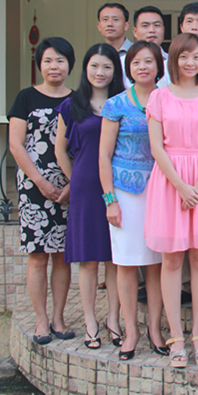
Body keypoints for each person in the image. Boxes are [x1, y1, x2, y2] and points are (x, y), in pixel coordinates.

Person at [144, 32, 198, 367]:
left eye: (196, 56)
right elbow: (157, 147)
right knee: (171, 261)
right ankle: (176, 338)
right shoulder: (159, 97)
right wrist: (181, 186)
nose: (190, 62)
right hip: (170, 181)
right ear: (174, 60)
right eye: (184, 56)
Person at [98, 41, 168, 361]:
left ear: (158, 67)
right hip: (125, 193)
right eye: (137, 62)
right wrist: (110, 199)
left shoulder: (167, 100)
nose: (143, 67)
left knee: (155, 265)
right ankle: (130, 331)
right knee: (126, 264)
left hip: (159, 191)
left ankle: (155, 329)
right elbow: (104, 154)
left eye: (149, 62)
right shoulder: (115, 104)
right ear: (129, 68)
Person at [55, 44, 125, 350]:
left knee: (115, 258)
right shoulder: (72, 105)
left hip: (118, 187)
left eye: (107, 66)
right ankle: (90, 321)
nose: (100, 72)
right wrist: (75, 181)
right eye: (94, 66)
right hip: (84, 187)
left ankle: (114, 319)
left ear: (115, 71)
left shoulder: (123, 102)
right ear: (85, 69)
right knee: (88, 259)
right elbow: (60, 150)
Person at [8, 37, 75, 345]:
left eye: (60, 60)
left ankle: (59, 317)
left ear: (69, 65)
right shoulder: (26, 97)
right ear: (40, 65)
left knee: (62, 257)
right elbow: (16, 145)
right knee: (38, 257)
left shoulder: (77, 99)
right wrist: (40, 181)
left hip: (69, 186)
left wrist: (73, 184)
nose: (54, 66)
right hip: (34, 187)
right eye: (48, 60)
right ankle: (41, 319)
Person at [131, 6, 171, 89]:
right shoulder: (122, 63)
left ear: (163, 29)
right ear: (135, 31)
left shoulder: (173, 62)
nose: (151, 30)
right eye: (145, 25)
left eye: (156, 25)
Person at [97, 3, 132, 87]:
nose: (109, 24)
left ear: (126, 25)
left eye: (115, 20)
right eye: (105, 19)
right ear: (99, 26)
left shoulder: (136, 52)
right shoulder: (96, 54)